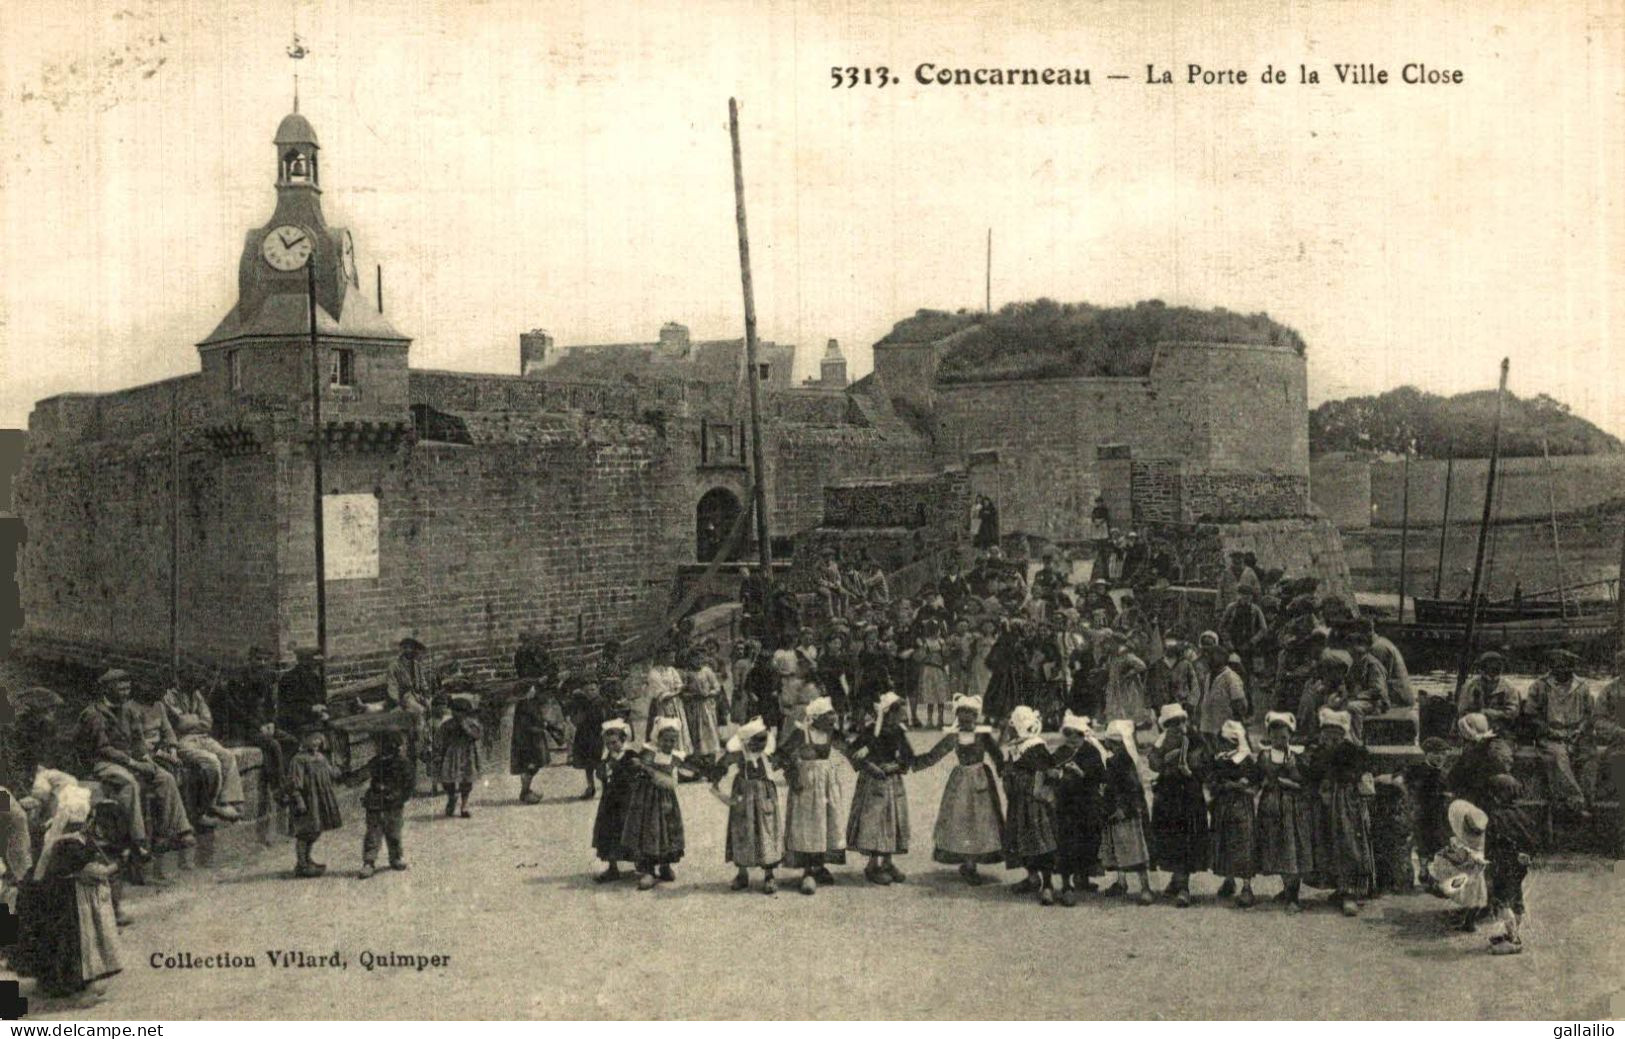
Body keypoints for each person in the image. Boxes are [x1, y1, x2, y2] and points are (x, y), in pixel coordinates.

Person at [14, 786, 121, 1005]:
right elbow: (91, 872)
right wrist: (112, 868)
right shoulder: (71, 844)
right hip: (64, 901)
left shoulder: (51, 834)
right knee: (72, 942)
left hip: (43, 895)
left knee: (50, 940)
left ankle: (50, 981)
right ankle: (76, 986)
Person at [74, 669, 194, 863]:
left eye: (127, 688)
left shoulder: (128, 709)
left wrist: (146, 760)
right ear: (107, 690)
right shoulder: (94, 714)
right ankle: (139, 842)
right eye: (121, 689)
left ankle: (179, 830)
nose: (126, 692)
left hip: (128, 760)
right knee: (129, 783)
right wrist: (134, 764)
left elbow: (138, 740)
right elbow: (103, 749)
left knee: (164, 777)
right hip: (102, 763)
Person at [912, 694, 1004, 885]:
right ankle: (969, 864)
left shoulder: (982, 734)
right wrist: (912, 763)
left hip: (981, 780)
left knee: (980, 821)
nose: (966, 718)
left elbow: (997, 755)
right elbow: (934, 754)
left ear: (976, 715)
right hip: (961, 781)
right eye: (962, 713)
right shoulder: (954, 736)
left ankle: (972, 863)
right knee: (962, 819)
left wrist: (1006, 771)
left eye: (970, 713)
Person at [775, 696, 852, 895]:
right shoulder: (802, 733)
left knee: (826, 822)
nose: (834, 717)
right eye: (829, 714)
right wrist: (793, 776)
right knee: (808, 825)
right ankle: (808, 871)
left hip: (826, 785)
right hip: (806, 786)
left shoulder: (831, 733)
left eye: (833, 713)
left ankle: (819, 866)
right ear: (816, 717)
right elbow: (780, 756)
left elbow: (850, 750)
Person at [1303, 708, 1376, 916]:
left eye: (1335, 731)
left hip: (1345, 802)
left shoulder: (1351, 750)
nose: (1331, 735)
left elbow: (1361, 767)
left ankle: (1351, 892)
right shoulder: (1319, 750)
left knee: (1348, 842)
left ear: (1342, 732)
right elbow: (1313, 773)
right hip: (1325, 804)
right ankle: (1338, 886)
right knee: (1327, 844)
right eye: (1327, 731)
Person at [621, 717, 704, 890]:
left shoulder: (676, 756)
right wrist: (642, 769)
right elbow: (637, 768)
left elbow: (685, 771)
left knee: (667, 828)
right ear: (657, 738)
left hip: (666, 798)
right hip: (647, 798)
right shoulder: (649, 752)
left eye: (673, 740)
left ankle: (665, 865)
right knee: (649, 829)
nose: (669, 743)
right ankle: (648, 870)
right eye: (665, 739)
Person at [846, 692, 914, 885]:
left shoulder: (898, 731)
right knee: (875, 821)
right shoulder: (870, 731)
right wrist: (870, 766)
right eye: (898, 714)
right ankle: (872, 865)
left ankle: (887, 862)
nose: (901, 718)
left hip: (891, 782)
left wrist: (895, 766)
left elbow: (908, 756)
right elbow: (853, 752)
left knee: (892, 820)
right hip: (873, 782)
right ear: (888, 714)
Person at [711, 717, 783, 895]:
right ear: (747, 741)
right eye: (757, 741)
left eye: (764, 739)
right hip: (744, 793)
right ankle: (742, 873)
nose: (761, 744)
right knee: (742, 831)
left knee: (766, 831)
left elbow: (783, 761)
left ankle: (769, 874)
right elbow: (723, 764)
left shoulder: (767, 750)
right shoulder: (739, 753)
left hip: (765, 794)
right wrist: (716, 779)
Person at [1147, 703, 1210, 907]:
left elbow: (1203, 761)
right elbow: (1153, 761)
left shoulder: (1195, 738)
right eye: (1174, 722)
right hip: (1168, 795)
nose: (1180, 725)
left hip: (1189, 795)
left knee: (1186, 838)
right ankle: (1176, 879)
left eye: (1182, 720)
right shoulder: (1163, 740)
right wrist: (1166, 759)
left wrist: (1188, 765)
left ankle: (1184, 885)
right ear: (1167, 725)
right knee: (1171, 837)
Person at [1519, 648, 1592, 815]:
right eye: (1557, 666)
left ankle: (1590, 801)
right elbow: (1531, 715)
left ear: (1572, 667)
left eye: (1566, 666)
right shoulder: (1540, 685)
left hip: (1577, 734)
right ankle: (1576, 802)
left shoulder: (1583, 686)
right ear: (1551, 667)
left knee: (1590, 757)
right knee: (1558, 755)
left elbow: (1589, 715)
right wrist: (1549, 731)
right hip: (1550, 734)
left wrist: (1580, 730)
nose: (1561, 670)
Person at [162, 681, 246, 823]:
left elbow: (208, 722)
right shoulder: (169, 696)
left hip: (202, 737)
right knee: (211, 761)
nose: (197, 680)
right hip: (182, 740)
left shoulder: (196, 694)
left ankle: (228, 802)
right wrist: (196, 719)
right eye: (192, 675)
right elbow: (180, 723)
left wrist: (191, 720)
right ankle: (209, 806)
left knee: (227, 756)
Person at [1255, 712, 1314, 913]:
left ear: (1290, 735)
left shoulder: (1298, 755)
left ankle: (1293, 896)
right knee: (1277, 847)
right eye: (1275, 735)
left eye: (1284, 736)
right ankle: (1287, 889)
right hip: (1272, 807)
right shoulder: (1265, 756)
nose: (1280, 740)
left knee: (1292, 848)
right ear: (1269, 736)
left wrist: (1293, 773)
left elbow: (1306, 783)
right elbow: (1257, 778)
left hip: (1293, 807)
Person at [1002, 705, 1061, 905]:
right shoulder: (1015, 746)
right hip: (1018, 802)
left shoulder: (1036, 746)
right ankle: (1032, 877)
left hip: (1035, 805)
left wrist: (1042, 792)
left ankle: (1048, 884)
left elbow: (1049, 772)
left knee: (1040, 841)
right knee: (1021, 840)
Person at [1097, 719, 1156, 905]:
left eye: (1114, 742)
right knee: (1119, 847)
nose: (1111, 745)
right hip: (1117, 809)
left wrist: (1124, 808)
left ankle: (1145, 887)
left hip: (1126, 811)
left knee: (1135, 849)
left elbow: (1133, 788)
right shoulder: (1117, 759)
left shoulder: (1123, 760)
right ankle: (1122, 882)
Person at [1053, 712, 1108, 905]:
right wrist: (1058, 773)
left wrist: (1082, 773)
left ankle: (1083, 878)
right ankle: (1066, 883)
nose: (1072, 739)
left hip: (1087, 805)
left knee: (1087, 840)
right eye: (1068, 734)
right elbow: (1050, 770)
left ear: (1082, 735)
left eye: (1075, 734)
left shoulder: (1091, 752)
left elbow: (1101, 776)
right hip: (1066, 805)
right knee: (1067, 842)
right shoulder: (1060, 751)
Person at [1483, 773, 1537, 955]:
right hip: (1519, 865)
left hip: (1502, 864)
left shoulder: (1495, 816)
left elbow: (1490, 844)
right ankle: (1512, 934)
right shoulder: (1523, 814)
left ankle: (1513, 939)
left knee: (1501, 901)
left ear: (1496, 795)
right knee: (1516, 898)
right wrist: (1526, 855)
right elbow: (1532, 841)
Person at [1208, 718, 1259, 907]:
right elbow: (1212, 781)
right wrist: (1223, 786)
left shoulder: (1245, 760)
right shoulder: (1219, 759)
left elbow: (1254, 782)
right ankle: (1229, 880)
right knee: (1225, 841)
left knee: (1243, 842)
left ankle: (1247, 887)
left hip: (1241, 805)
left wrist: (1241, 786)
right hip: (1223, 805)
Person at [285, 729, 342, 878]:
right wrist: (299, 800)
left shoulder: (321, 758)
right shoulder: (298, 760)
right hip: (307, 801)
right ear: (305, 740)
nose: (317, 742)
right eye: (313, 738)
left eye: (319, 739)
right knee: (304, 832)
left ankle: (307, 859)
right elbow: (294, 783)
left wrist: (338, 769)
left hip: (320, 801)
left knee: (315, 831)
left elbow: (331, 773)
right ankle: (301, 864)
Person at [1429, 799, 1489, 932]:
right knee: (1476, 900)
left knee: (1472, 899)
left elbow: (1459, 857)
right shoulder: (1477, 846)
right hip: (1476, 874)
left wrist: (1447, 854)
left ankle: (1469, 923)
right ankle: (1469, 922)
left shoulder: (1464, 847)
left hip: (1469, 873)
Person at [358, 731, 413, 879]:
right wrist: (346, 777)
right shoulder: (376, 762)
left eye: (380, 745)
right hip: (375, 802)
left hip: (394, 803)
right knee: (373, 832)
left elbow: (409, 784)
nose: (377, 748)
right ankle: (369, 862)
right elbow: (361, 775)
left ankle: (395, 857)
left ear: (392, 746)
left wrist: (400, 796)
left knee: (394, 831)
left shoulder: (403, 763)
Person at [591, 719, 638, 883]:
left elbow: (634, 776)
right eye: (608, 743)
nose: (612, 746)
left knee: (630, 830)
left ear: (623, 740)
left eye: (615, 742)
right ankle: (613, 867)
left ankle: (642, 865)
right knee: (609, 831)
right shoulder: (606, 759)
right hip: (610, 802)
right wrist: (602, 772)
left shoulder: (630, 756)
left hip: (627, 801)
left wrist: (619, 769)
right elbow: (601, 774)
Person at [1402, 737, 1454, 872]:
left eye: (1443, 754)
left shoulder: (1445, 774)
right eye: (1436, 753)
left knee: (1440, 842)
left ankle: (1434, 873)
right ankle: (1424, 870)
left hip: (1441, 815)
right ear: (1427, 754)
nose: (1440, 757)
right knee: (1424, 842)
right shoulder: (1417, 771)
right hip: (1423, 814)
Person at [1448, 712, 1515, 810]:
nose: (1462, 739)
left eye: (1463, 735)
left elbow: (1456, 777)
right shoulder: (1492, 745)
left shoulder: (1487, 748)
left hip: (1484, 802)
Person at [434, 692, 483, 818]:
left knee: (467, 780)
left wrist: (465, 726)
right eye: (455, 712)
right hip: (451, 755)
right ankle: (451, 797)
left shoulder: (471, 723)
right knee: (447, 779)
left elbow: (477, 735)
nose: (457, 715)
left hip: (467, 755)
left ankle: (464, 805)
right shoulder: (447, 725)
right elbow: (439, 739)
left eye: (461, 712)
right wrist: (438, 753)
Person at [1195, 648, 1248, 752]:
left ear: (1222, 659)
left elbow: (1241, 704)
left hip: (1224, 730)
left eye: (1213, 657)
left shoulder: (1231, 678)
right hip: (1207, 727)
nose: (1209, 660)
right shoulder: (1208, 676)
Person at [510, 674, 552, 805]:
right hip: (528, 742)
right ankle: (525, 792)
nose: (534, 690)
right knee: (530, 766)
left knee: (533, 766)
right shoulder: (524, 706)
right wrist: (540, 727)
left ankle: (526, 790)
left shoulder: (529, 703)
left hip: (534, 740)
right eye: (532, 688)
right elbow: (525, 726)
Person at [682, 649, 725, 767]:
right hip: (693, 707)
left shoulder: (707, 671)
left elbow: (717, 687)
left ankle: (711, 760)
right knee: (695, 731)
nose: (699, 661)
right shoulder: (688, 673)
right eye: (696, 659)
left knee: (709, 730)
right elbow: (683, 692)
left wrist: (709, 693)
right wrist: (692, 695)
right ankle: (698, 760)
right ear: (691, 660)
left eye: (701, 658)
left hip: (706, 706)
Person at [1455, 651, 1519, 730]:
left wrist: (1490, 713)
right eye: (1488, 667)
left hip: (1500, 729)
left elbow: (1513, 712)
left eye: (1496, 668)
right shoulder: (1470, 686)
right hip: (1473, 727)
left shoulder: (1509, 687)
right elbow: (1462, 710)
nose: (1492, 672)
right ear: (1482, 668)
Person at [1101, 634, 1148, 728]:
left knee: (1126, 705)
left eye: (1111, 643)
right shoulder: (1114, 655)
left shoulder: (1127, 655)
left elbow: (1142, 666)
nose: (1110, 646)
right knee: (1115, 704)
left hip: (1126, 686)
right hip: (1115, 685)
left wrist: (1129, 674)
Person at [913, 620, 952, 730]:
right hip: (928, 669)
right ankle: (930, 719)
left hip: (939, 669)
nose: (934, 632)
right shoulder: (924, 642)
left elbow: (946, 656)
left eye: (936, 629)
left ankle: (940, 719)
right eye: (932, 629)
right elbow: (918, 657)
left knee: (940, 695)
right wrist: (924, 648)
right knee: (929, 696)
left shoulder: (941, 642)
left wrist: (945, 648)